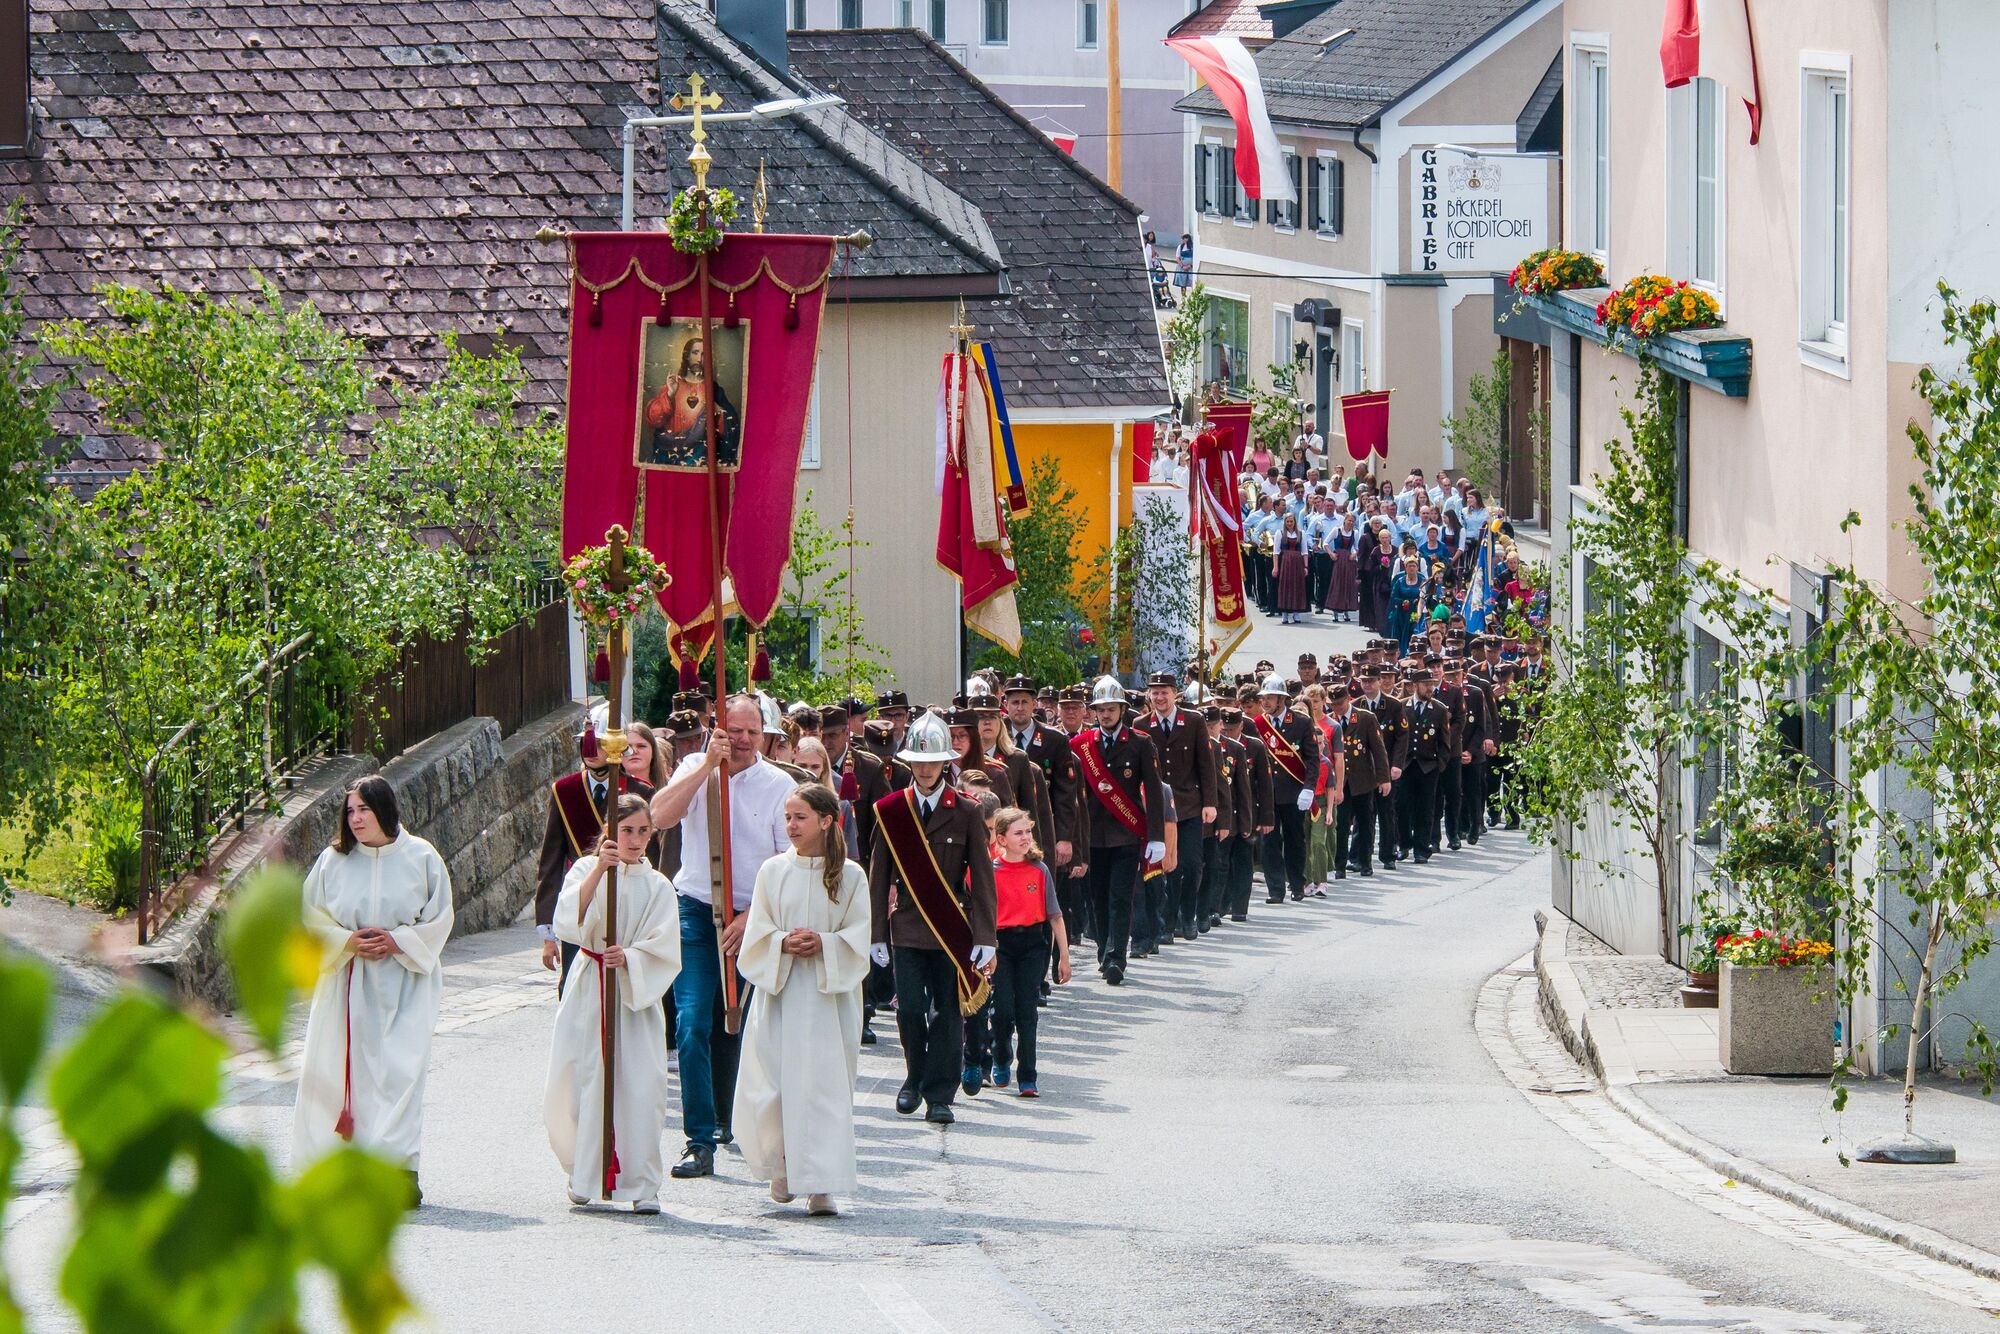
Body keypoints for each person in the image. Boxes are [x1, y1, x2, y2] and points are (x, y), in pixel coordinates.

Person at [649, 694, 794, 1180]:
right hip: (694, 909)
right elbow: (659, 817)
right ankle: (699, 1138)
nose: (745, 741)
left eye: (754, 732)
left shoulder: (778, 784)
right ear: (718, 728)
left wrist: (751, 915)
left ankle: (734, 1117)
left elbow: (783, 863)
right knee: (691, 1023)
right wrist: (706, 767)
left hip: (756, 913)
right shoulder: (695, 764)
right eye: (736, 731)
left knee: (740, 1022)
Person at [294, 777, 453, 1202]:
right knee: (346, 1072)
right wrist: (346, 941)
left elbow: (440, 918)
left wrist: (397, 940)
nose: (356, 818)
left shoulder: (421, 857)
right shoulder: (333, 861)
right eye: (350, 811)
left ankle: (400, 1172)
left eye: (363, 809)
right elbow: (311, 917)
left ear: (385, 809)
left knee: (401, 1073)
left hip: (406, 981)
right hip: (348, 980)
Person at [733, 784, 872, 1217]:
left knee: (824, 1087)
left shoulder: (851, 876)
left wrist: (827, 944)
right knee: (775, 1083)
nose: (791, 826)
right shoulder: (772, 872)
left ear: (826, 820)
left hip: (829, 999)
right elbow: (756, 932)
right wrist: (781, 943)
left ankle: (822, 1184)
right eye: (787, 818)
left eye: (800, 818)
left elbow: (859, 935)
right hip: (782, 992)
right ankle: (783, 1165)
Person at [545, 794, 683, 1213]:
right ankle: (584, 1172)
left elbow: (665, 946)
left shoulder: (658, 885)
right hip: (589, 987)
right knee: (582, 1080)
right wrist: (599, 872)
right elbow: (568, 920)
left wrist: (632, 958)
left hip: (633, 996)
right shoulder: (588, 870)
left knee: (640, 1086)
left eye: (643, 831)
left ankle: (642, 1184)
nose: (636, 839)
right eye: (627, 830)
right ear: (609, 831)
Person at [869, 711, 998, 1124]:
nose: (925, 769)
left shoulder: (966, 810)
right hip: (906, 926)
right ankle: (914, 1076)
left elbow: (981, 878)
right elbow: (878, 877)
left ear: (947, 763)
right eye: (918, 762)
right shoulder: (891, 809)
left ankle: (940, 1093)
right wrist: (875, 933)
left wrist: (985, 935)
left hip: (950, 927)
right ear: (909, 763)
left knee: (946, 1011)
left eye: (933, 761)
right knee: (908, 1009)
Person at [1072, 677, 1165, 986]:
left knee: (1120, 897)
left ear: (1123, 710)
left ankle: (1116, 958)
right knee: (1097, 898)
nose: (1106, 715)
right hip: (1094, 836)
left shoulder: (1140, 742)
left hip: (1126, 833)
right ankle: (1103, 950)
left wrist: (1156, 837)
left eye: (1111, 709)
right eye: (1101, 710)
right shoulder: (1082, 746)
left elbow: (1153, 791)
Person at [988, 807, 1071, 1097]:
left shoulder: (1039, 869)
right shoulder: (991, 871)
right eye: (1018, 833)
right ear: (1002, 839)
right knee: (1002, 1010)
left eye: (1028, 832)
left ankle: (1027, 1076)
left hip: (1033, 945)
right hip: (1001, 945)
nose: (1025, 838)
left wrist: (1064, 956)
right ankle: (1000, 1055)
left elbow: (1055, 915)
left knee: (1026, 1010)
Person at [1139, 671, 1217, 946]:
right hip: (1156, 809)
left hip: (1188, 805)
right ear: (1149, 695)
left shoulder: (1193, 720)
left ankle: (1189, 914)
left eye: (1165, 692)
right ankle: (1167, 923)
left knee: (1192, 864)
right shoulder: (1141, 724)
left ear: (1176, 694)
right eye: (1155, 692)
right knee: (1164, 867)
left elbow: (1206, 765)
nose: (1160, 697)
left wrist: (1210, 802)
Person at [1251, 675, 1319, 904]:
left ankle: (1297, 884)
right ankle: (1275, 889)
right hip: (1267, 795)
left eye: (1270, 697)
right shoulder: (1258, 724)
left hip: (1293, 792)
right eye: (1263, 698)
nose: (1265, 702)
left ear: (1282, 699)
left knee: (1294, 840)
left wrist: (1309, 788)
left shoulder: (1300, 721)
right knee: (1269, 843)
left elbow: (1311, 759)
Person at [1274, 511, 1309, 625]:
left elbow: (1304, 552)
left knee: (1297, 586)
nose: (1289, 523)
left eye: (1291, 521)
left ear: (1295, 522)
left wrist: (1306, 566)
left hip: (1297, 563)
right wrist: (1275, 567)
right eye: (1287, 521)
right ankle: (1284, 613)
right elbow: (1276, 552)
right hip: (1285, 563)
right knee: (1286, 586)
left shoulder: (1301, 534)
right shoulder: (1279, 533)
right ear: (1285, 522)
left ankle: (1296, 612)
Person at [1388, 552, 1425, 654]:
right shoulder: (1400, 581)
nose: (1412, 568)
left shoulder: (1422, 580)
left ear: (1417, 567)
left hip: (1415, 613)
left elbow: (1425, 596)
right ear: (1405, 567)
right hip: (1401, 613)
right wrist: (1402, 602)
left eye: (1414, 566)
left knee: (1413, 633)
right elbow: (1394, 596)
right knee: (1399, 636)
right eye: (1409, 566)